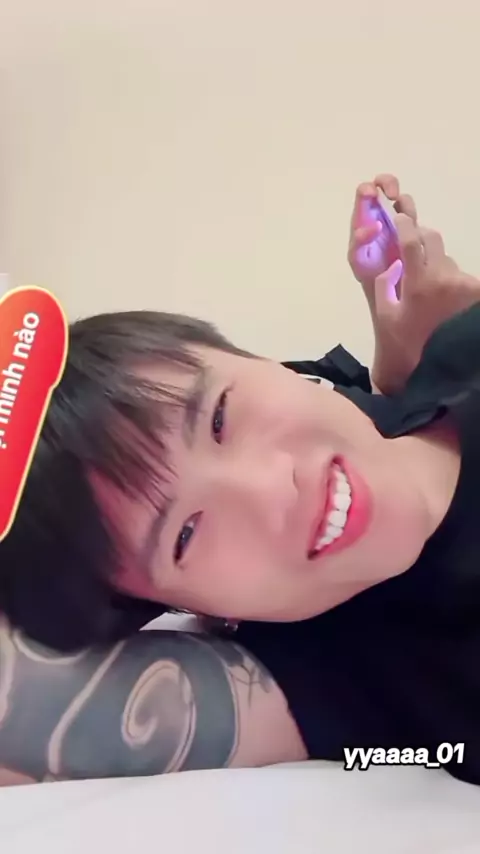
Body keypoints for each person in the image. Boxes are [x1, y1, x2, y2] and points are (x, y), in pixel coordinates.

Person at [1, 175, 480, 787]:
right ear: (196, 609)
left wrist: (408, 374)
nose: (274, 489)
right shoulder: (346, 683)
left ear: (265, 364)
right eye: (185, 536)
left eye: (220, 417)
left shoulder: (452, 346)